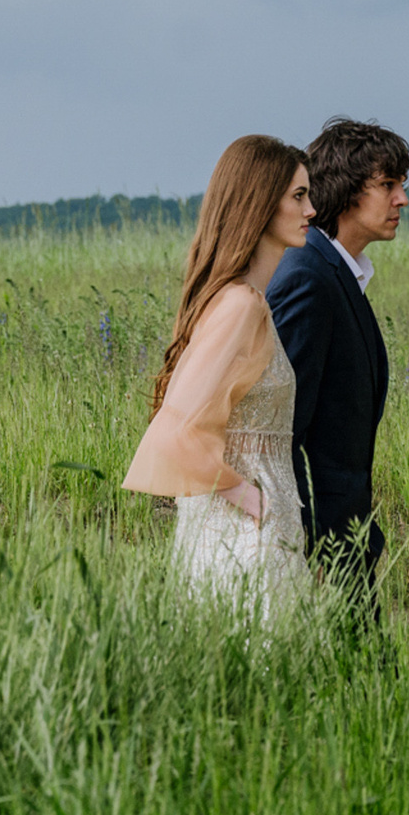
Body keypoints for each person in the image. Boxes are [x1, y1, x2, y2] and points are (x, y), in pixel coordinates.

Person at [122, 135, 316, 616]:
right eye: (298, 196)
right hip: (244, 531)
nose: (311, 209)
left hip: (250, 522)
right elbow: (174, 430)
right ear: (258, 204)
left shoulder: (249, 301)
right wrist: (253, 501)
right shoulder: (239, 305)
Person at [268, 117, 409, 611]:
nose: (402, 200)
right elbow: (283, 426)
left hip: (347, 541)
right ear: (348, 191)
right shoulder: (308, 277)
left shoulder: (335, 272)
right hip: (325, 549)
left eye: (402, 186)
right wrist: (309, 547)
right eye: (387, 185)